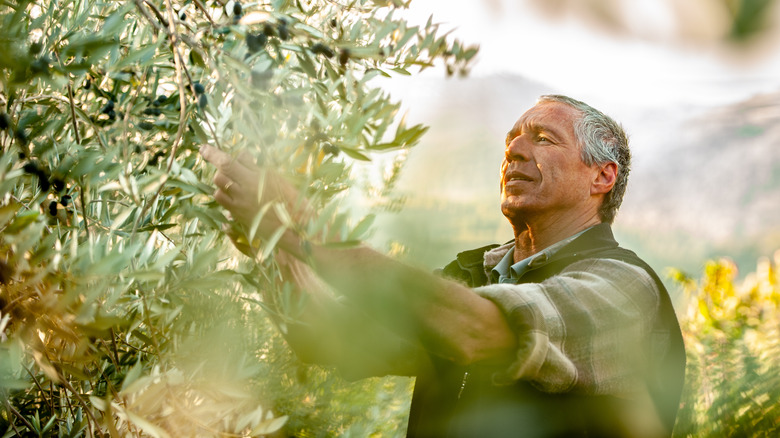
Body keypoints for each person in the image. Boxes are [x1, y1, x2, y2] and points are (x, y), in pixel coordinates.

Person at [201, 94, 686, 437]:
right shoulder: (474, 273)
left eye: (543, 138)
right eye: (513, 138)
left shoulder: (622, 286)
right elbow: (329, 337)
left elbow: (479, 330)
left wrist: (307, 226)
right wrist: (272, 239)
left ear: (602, 176)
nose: (514, 148)